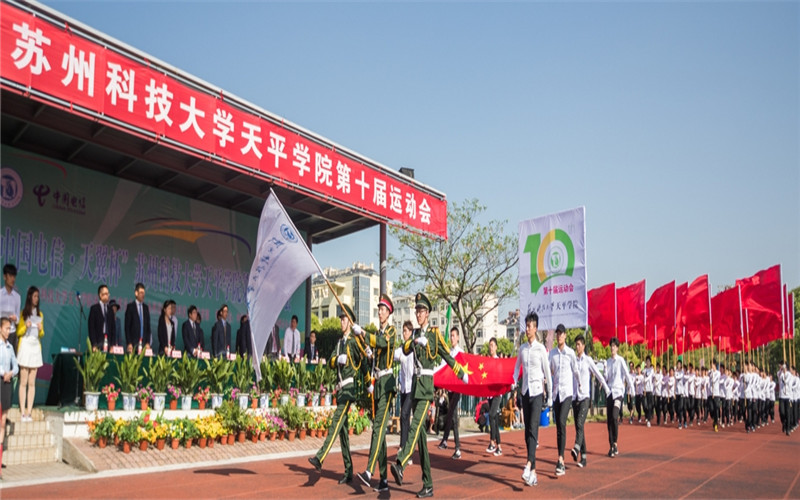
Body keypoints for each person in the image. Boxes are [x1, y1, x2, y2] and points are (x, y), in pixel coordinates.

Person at [389, 292, 468, 499]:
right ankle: (428, 484)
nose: (419, 314)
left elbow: (446, 355)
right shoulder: (415, 334)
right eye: (417, 310)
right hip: (414, 386)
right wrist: (412, 343)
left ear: (428, 313)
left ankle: (401, 462)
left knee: (415, 426)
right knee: (422, 441)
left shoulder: (434, 334)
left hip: (426, 388)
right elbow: (405, 349)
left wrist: (461, 373)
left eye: (422, 311)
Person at [308, 304, 367, 485]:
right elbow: (331, 362)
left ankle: (320, 457)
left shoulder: (353, 342)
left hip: (349, 390)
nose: (341, 322)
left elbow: (363, 360)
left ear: (350, 322)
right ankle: (349, 470)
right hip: (340, 389)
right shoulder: (340, 342)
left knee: (335, 422)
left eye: (344, 319)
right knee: (342, 433)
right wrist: (337, 359)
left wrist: (369, 381)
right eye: (340, 319)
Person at [356, 293, 397, 492]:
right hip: (378, 382)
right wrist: (370, 356)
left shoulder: (391, 331)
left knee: (379, 427)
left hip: (388, 383)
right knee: (379, 432)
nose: (380, 312)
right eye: (379, 309)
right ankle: (384, 480)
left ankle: (369, 471)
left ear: (389, 313)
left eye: (383, 309)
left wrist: (362, 333)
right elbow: (376, 349)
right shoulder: (379, 333)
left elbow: (381, 343)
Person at [512, 311, 552, 487]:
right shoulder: (522, 349)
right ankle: (533, 473)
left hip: (537, 393)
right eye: (526, 325)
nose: (527, 329)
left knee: (534, 429)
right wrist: (514, 382)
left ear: (536, 328)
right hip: (525, 392)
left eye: (530, 326)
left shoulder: (541, 349)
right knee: (527, 431)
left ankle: (528, 464)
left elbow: (548, 373)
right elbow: (516, 369)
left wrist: (549, 395)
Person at [570, 333, 609, 469]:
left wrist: (606, 388)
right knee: (579, 427)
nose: (577, 347)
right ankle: (584, 456)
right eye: (576, 345)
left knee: (580, 423)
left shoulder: (588, 360)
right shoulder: (574, 360)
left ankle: (576, 447)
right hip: (575, 398)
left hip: (585, 397)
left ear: (583, 345)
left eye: (579, 344)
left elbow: (598, 375)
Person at [548, 324, 580, 476]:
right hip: (556, 394)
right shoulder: (552, 354)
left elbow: (575, 370)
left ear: (565, 336)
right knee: (558, 427)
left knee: (561, 422)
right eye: (557, 334)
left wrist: (579, 385)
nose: (559, 336)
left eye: (561, 334)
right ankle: (560, 457)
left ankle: (560, 459)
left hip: (567, 393)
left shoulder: (570, 353)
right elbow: (549, 372)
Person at [16, 287, 44, 422]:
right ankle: (22, 412)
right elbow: (18, 332)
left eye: (37, 297)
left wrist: (40, 329)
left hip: (35, 345)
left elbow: (42, 334)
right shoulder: (23, 313)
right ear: (29, 297)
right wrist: (25, 326)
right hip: (25, 344)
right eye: (34, 296)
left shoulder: (40, 314)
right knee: (24, 381)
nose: (36, 299)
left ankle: (29, 412)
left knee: (32, 382)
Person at [604, 337, 634, 458]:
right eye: (611, 346)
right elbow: (606, 378)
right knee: (609, 420)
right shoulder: (608, 361)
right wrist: (605, 369)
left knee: (615, 416)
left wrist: (631, 389)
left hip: (618, 393)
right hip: (609, 393)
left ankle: (614, 443)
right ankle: (611, 444)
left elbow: (627, 374)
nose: (612, 348)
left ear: (617, 348)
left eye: (614, 346)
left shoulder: (621, 360)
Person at [438, 326, 464, 459]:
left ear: (458, 337)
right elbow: (443, 367)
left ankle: (457, 447)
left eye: (454, 336)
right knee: (450, 414)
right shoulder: (448, 352)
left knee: (453, 415)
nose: (452, 338)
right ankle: (445, 440)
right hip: (449, 388)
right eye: (451, 336)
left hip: (457, 388)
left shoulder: (461, 352)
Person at [394, 320, 415, 464]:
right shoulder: (401, 348)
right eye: (403, 331)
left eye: (406, 331)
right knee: (405, 418)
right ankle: (406, 448)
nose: (404, 333)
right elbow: (394, 355)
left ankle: (404, 447)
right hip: (403, 388)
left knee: (404, 414)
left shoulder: (414, 348)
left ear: (411, 332)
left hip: (412, 388)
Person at [0, 317, 19, 473]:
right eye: (6, 328)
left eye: (10, 329)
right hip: (0, 379)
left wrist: (11, 373)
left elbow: (16, 365)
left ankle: (0, 459)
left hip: (6, 383)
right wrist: (3, 373)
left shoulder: (10, 347)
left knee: (3, 420)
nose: (8, 331)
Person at [486, 337, 505, 457]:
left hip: (497, 393)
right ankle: (499, 447)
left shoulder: (499, 361)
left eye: (492, 345)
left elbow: (501, 375)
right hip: (489, 393)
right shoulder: (488, 362)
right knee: (495, 419)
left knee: (492, 415)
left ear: (496, 347)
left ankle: (492, 441)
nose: (491, 348)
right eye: (490, 345)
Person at [124, 282, 151, 354]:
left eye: (144, 293)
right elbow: (127, 327)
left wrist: (148, 342)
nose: (143, 295)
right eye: (141, 292)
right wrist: (129, 343)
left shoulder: (146, 308)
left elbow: (148, 327)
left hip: (144, 344)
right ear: (136, 293)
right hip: (133, 344)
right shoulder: (130, 307)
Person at [0, 265, 21, 355]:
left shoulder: (17, 297)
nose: (13, 279)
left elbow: (18, 319)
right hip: (0, 331)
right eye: (10, 276)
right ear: (5, 277)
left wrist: (15, 318)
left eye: (14, 276)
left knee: (10, 360)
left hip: (11, 332)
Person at [88, 284, 115, 351]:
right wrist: (94, 344)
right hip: (98, 342)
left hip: (108, 343)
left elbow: (113, 329)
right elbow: (91, 328)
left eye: (108, 293)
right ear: (100, 295)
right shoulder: (94, 309)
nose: (107, 295)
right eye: (105, 293)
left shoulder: (110, 310)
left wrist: (112, 345)